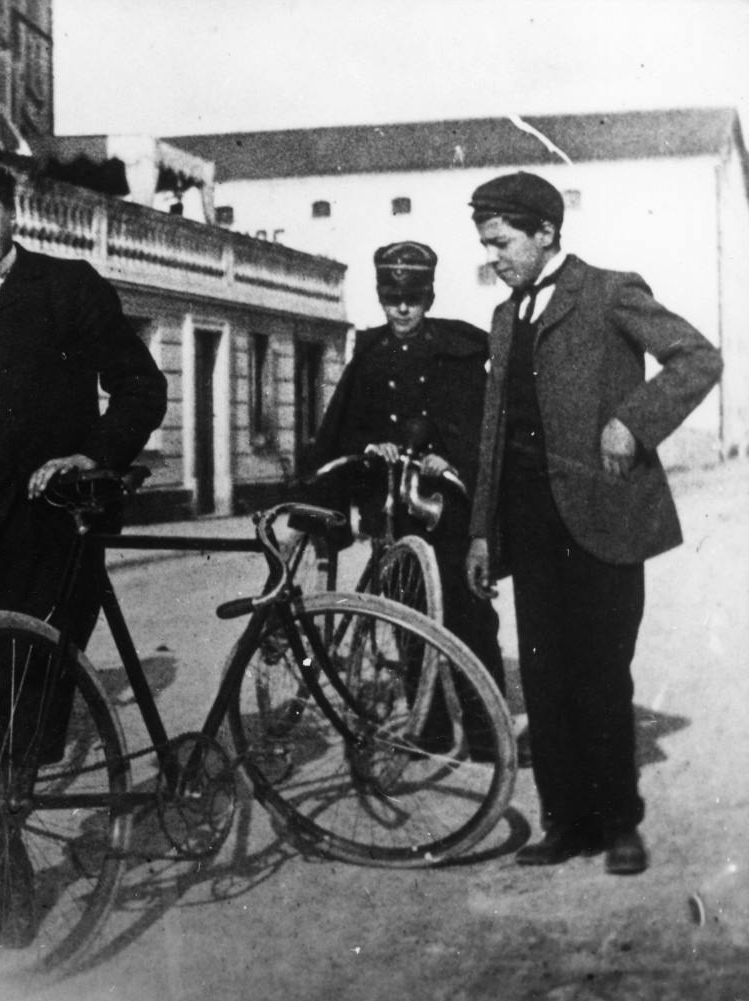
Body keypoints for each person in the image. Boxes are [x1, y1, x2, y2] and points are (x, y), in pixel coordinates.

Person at [0, 147, 167, 946]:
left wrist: (95, 454)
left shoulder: (69, 287)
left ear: (9, 206)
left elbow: (140, 385)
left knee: (29, 705)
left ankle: (2, 862)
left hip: (55, 533)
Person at [464, 170, 722, 875]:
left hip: (603, 518)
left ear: (546, 231)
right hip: (529, 525)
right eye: (487, 244)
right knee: (545, 678)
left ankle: (619, 824)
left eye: (504, 241)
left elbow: (697, 356)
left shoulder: (609, 290)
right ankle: (566, 822)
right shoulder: (503, 318)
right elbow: (494, 429)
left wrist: (633, 423)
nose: (496, 256)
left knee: (602, 673)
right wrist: (483, 529)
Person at [309, 241, 508, 757]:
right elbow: (344, 428)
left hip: (449, 511)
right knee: (409, 617)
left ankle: (489, 737)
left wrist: (450, 460)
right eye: (392, 297)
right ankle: (433, 731)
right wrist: (369, 446)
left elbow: (481, 426)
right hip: (395, 512)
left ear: (429, 296)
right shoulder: (369, 356)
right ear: (380, 296)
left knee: (468, 616)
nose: (402, 308)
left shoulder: (459, 351)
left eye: (413, 298)